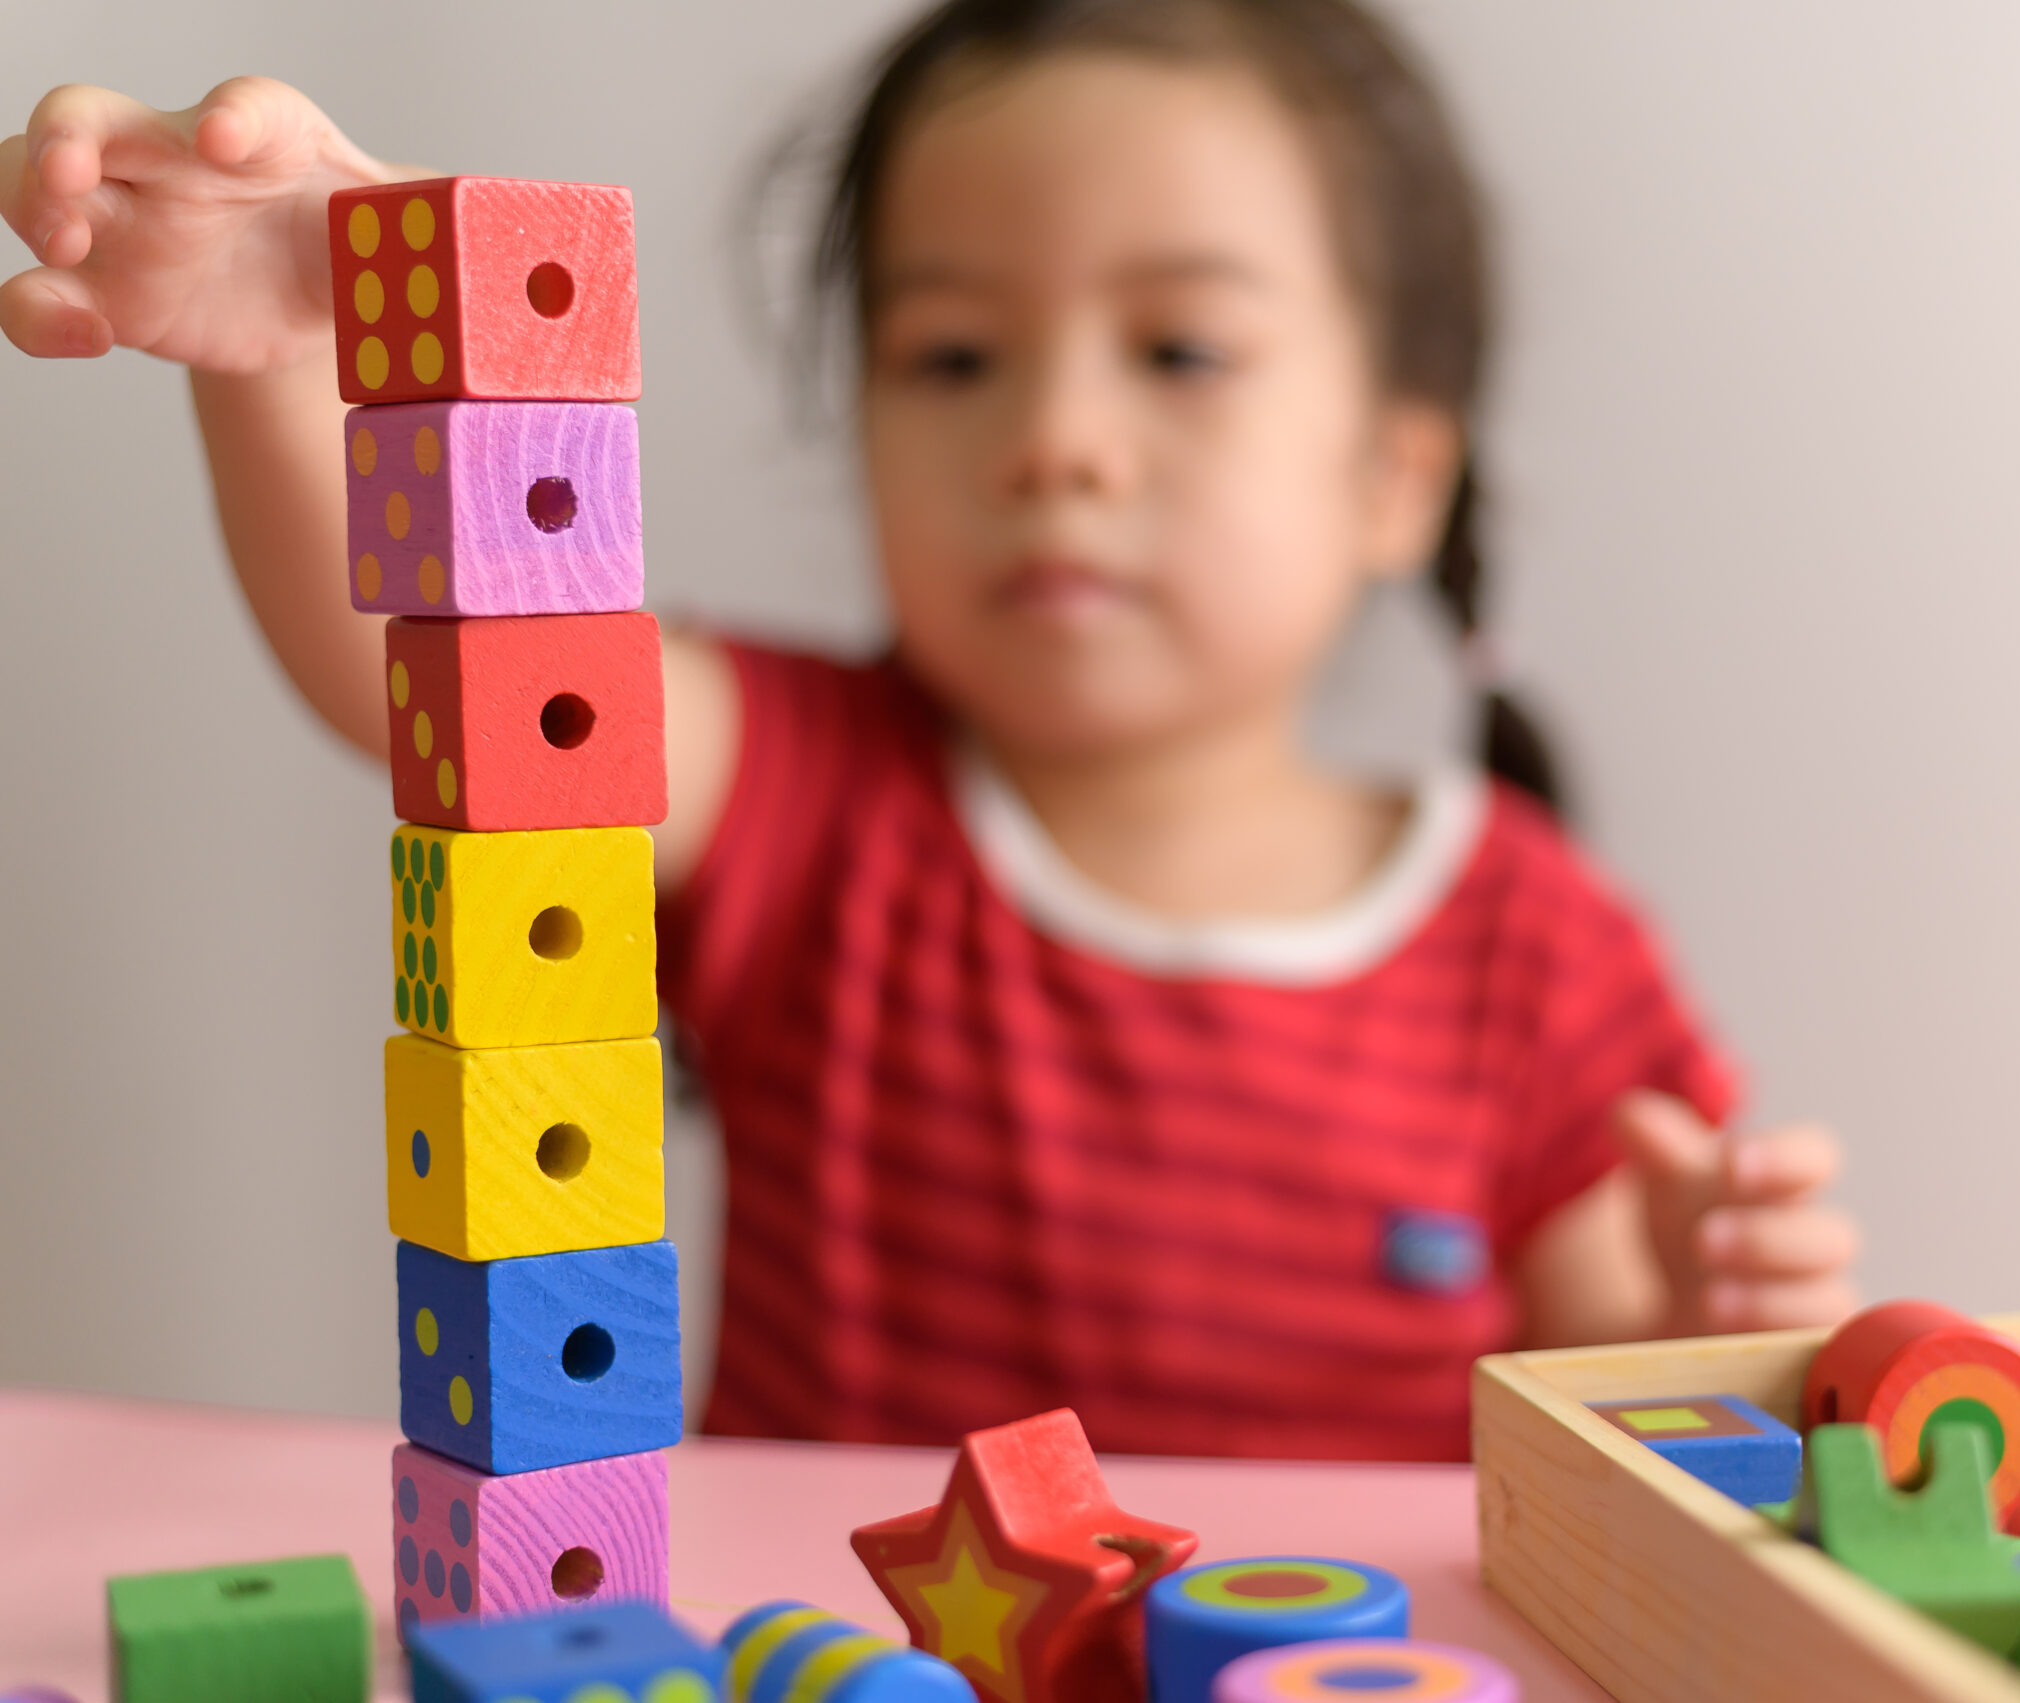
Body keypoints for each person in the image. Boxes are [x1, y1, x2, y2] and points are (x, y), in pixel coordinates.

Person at [0, 0, 1857, 1461]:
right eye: (953, 355)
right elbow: (443, 681)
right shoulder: (810, 794)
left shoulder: (1533, 947)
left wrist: (1699, 1314)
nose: (1054, 440)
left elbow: (1606, 1406)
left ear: (1393, 476)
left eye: (1181, 351)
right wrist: (295, 365)